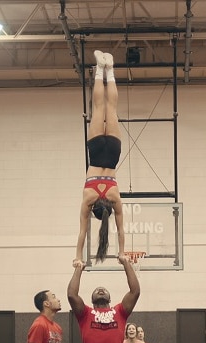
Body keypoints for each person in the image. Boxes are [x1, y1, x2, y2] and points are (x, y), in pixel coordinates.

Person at [74, 50, 125, 267]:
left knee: (111, 109)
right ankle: (99, 70)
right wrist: (77, 256)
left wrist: (122, 252)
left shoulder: (115, 199)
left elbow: (122, 230)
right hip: (95, 154)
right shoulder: (88, 200)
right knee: (99, 108)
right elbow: (82, 233)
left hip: (112, 153)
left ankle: (110, 69)